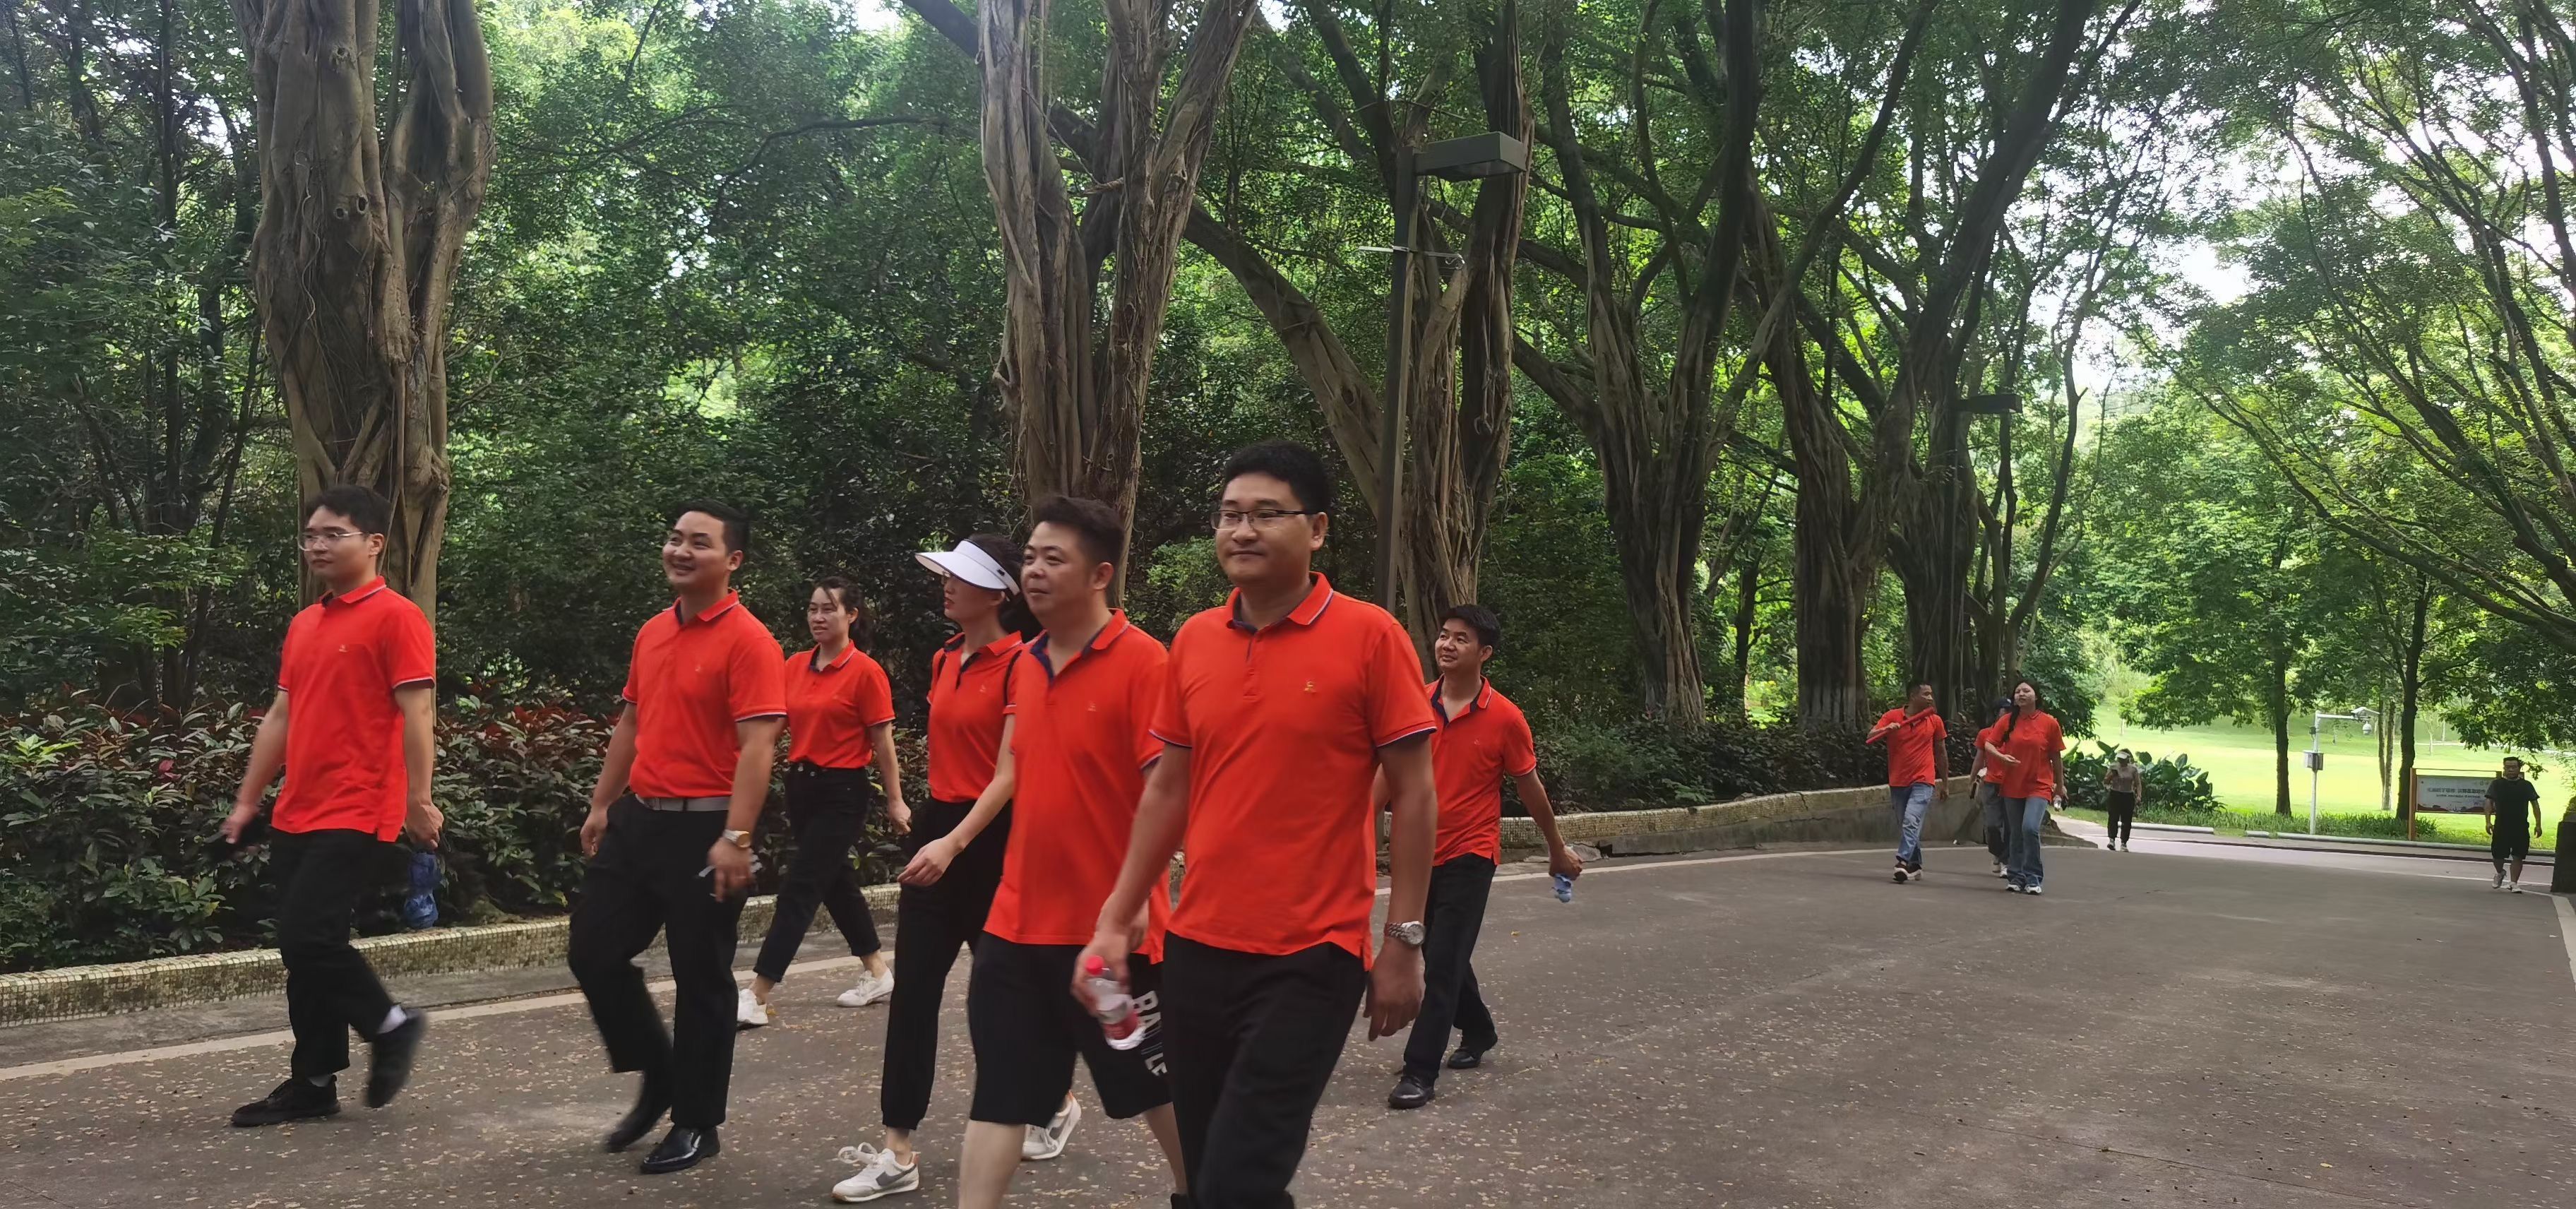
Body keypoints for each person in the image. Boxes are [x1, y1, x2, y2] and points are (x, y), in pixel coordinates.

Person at [1080, 439, 1441, 1209]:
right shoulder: (1195, 640)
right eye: (1229, 514)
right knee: (1206, 1170)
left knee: (1240, 1178)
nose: (1242, 530)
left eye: (1266, 514)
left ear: (1318, 530)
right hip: (1199, 949)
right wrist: (1116, 919)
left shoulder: (1371, 636)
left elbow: (1414, 793)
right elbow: (1167, 789)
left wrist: (1404, 941)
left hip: (1311, 954)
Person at [929, 496, 1191, 1209]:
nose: (1035, 571)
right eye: (1030, 558)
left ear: (1100, 574)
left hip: (1109, 939)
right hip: (1014, 929)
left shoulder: (1145, 664)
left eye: (1054, 559)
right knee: (1000, 1093)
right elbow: (1016, 777)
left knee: (1155, 1087)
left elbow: (1167, 797)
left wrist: (1130, 906)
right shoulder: (1027, 663)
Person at [568, 501, 786, 1174]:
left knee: (701, 977)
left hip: (707, 826)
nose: (681, 551)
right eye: (674, 539)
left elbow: (758, 748)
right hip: (641, 818)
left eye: (699, 543)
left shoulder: (750, 641)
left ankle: (696, 1121)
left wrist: (737, 837)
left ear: (733, 560)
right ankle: (659, 1071)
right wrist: (603, 804)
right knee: (592, 949)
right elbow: (632, 723)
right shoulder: (654, 631)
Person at [220, 484, 439, 1127]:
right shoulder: (306, 623)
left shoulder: (397, 617)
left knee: (307, 936)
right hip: (299, 807)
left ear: (373, 543)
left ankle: (391, 1025)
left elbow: (418, 713)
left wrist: (419, 799)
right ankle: (313, 1082)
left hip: (360, 804)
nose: (316, 545)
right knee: (305, 952)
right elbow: (281, 717)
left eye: (332, 534)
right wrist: (248, 801)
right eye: (310, 535)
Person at [830, 535, 1030, 1203]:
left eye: (961, 577)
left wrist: (955, 844)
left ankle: (1052, 1097)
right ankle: (898, 1150)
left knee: (1000, 999)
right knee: (914, 992)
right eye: (946, 574)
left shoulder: (1022, 664)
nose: (946, 583)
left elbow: (1010, 774)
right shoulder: (945, 657)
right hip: (940, 830)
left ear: (999, 594)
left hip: (992, 842)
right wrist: (931, 829)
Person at [1385, 604, 1582, 1112]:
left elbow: (1530, 787)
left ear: (1485, 652)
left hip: (1471, 853)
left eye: (1462, 639)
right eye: (1444, 635)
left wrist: (1556, 848)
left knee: (1442, 963)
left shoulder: (1505, 717)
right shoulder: (1414, 703)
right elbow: (1387, 773)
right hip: (1418, 853)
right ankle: (1479, 1029)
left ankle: (1420, 1070)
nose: (1447, 645)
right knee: (1439, 953)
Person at [739, 578, 905, 1028]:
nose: (818, 617)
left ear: (851, 615)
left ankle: (757, 994)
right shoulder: (794, 666)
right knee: (835, 882)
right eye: (813, 609)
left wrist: (896, 800)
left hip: (843, 792)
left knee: (801, 885)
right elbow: (772, 729)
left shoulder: (866, 672)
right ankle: (878, 973)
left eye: (828, 609)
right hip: (802, 787)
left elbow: (883, 742)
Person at [1984, 679, 2065, 896]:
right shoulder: (2007, 721)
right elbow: (1989, 744)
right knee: (2016, 832)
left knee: (2029, 828)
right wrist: (2002, 757)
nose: (2021, 694)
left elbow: (2056, 757)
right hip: (2012, 784)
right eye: (2018, 691)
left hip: (2039, 784)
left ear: (2036, 696)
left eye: (2026, 691)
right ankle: (2016, 876)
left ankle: (2033, 877)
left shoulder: (2049, 723)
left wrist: (2060, 786)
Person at [1865, 682, 1950, 883]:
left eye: (1931, 694)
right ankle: (1915, 865)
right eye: (1926, 694)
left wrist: (1945, 782)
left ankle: (1902, 862)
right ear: (1913, 696)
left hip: (1924, 780)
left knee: (1911, 820)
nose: (1930, 698)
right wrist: (1887, 729)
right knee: (1908, 824)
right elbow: (1870, 736)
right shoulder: (1892, 716)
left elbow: (1941, 752)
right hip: (1898, 780)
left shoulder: (1935, 720)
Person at [2483, 756, 2544, 893]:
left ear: (2519, 768)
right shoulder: (2497, 784)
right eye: (2508, 767)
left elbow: (2535, 805)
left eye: (2513, 767)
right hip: (2501, 826)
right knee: (2498, 856)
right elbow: (2488, 802)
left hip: (2521, 826)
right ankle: (2500, 872)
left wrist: (2538, 824)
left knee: (2518, 855)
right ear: (2504, 768)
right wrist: (2488, 822)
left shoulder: (2526, 785)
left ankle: (2514, 882)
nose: (2510, 770)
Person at [1968, 699, 2013, 877]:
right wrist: (1972, 779)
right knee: (1992, 825)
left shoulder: (2016, 734)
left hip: (2013, 785)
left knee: (2010, 826)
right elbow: (1979, 759)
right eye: (2005, 710)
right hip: (1991, 783)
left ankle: (2007, 862)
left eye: (2011, 710)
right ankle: (1998, 853)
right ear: (1997, 713)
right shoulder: (1985, 734)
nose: (2009, 713)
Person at [2102, 749, 2144, 852]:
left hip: (2127, 795)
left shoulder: (2133, 769)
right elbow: (2106, 781)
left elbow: (2138, 783)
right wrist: (2112, 775)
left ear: (2127, 760)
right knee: (2113, 817)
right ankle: (2112, 840)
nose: (2121, 761)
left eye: (2123, 759)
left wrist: (2139, 795)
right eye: (2119, 759)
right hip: (2115, 793)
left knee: (2126, 820)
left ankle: (2124, 842)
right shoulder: (2113, 767)